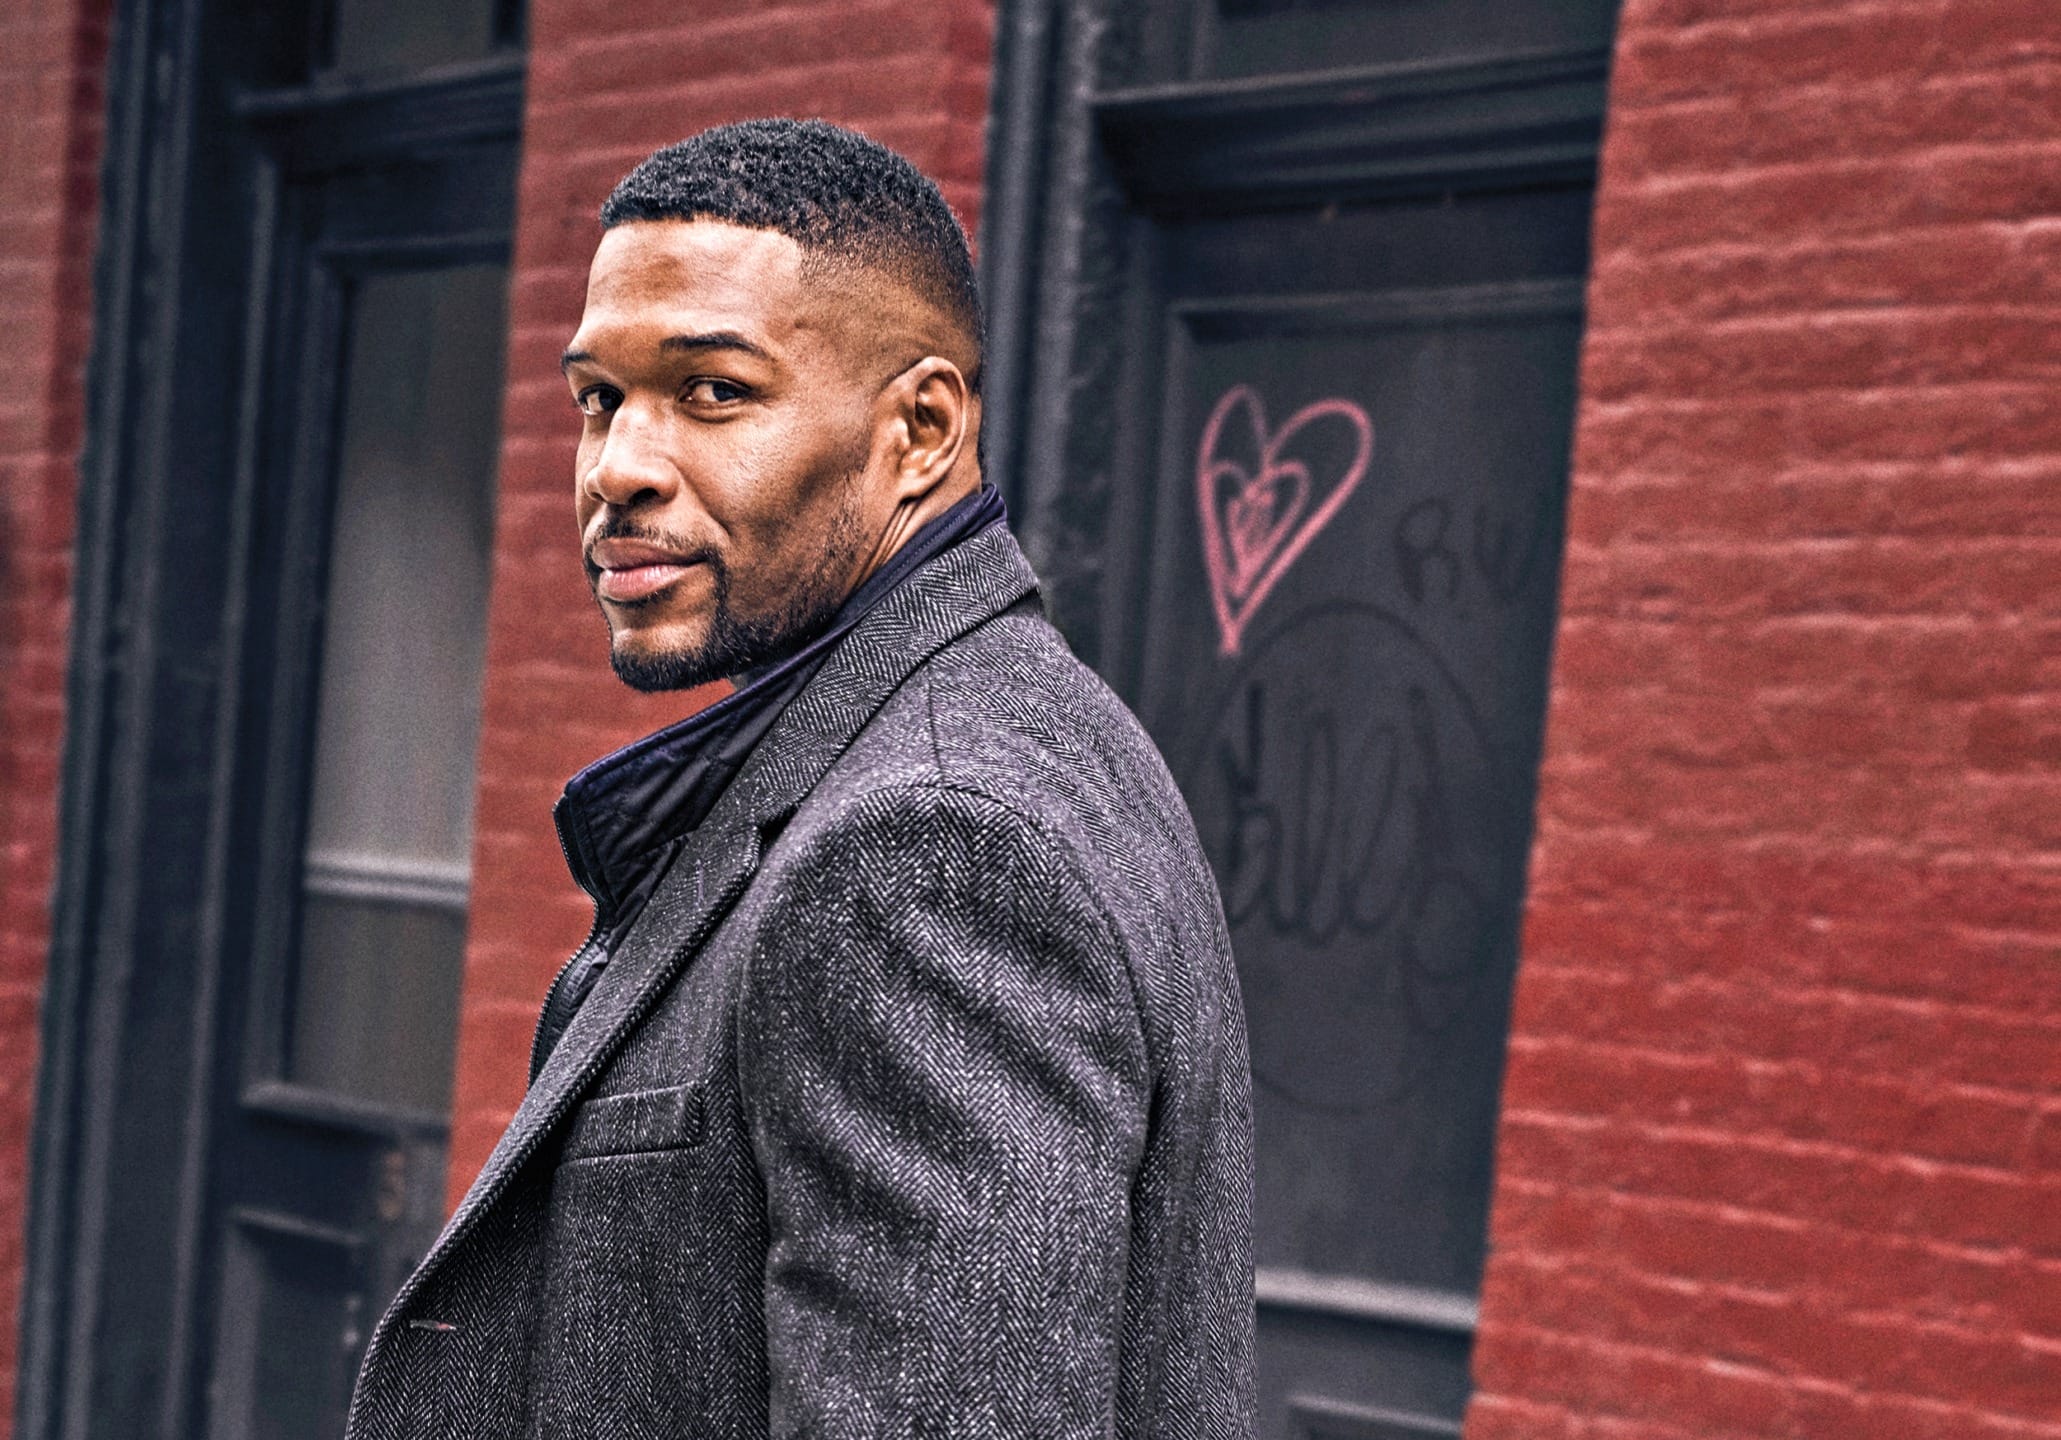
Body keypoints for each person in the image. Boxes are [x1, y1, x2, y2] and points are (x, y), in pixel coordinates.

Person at [343, 118, 1255, 1440]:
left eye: (712, 391)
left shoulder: (930, 842)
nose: (618, 467)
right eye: (598, 398)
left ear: (921, 430)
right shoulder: (983, 736)